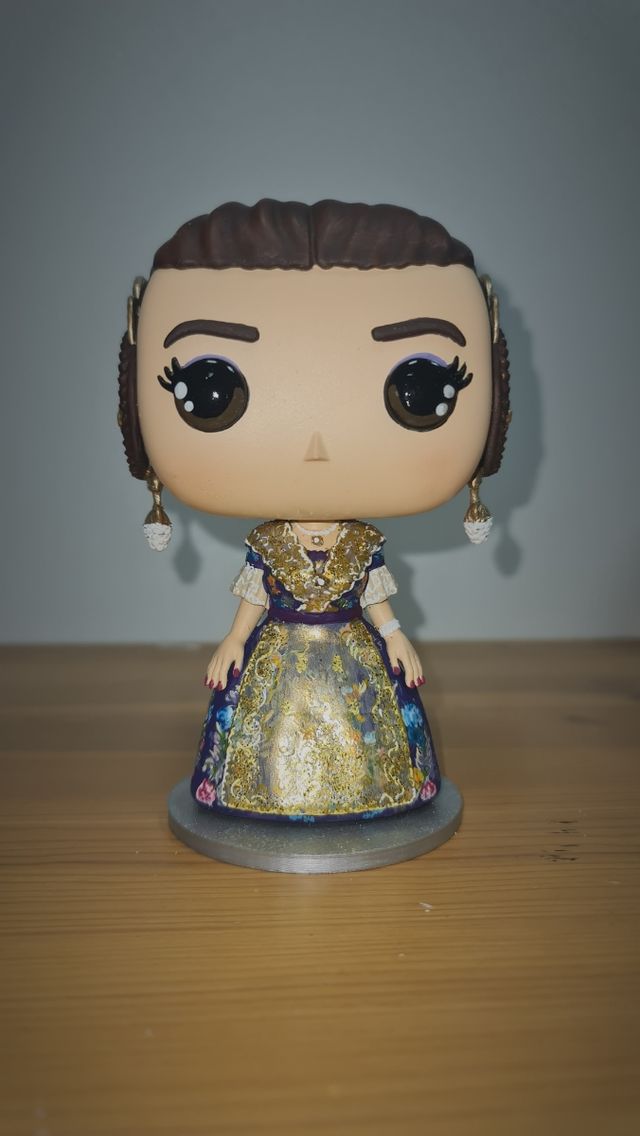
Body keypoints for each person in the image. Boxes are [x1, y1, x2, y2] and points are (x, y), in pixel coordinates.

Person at [117, 199, 510, 822]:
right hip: (279, 651)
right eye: (210, 389)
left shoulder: (362, 543)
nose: (316, 445)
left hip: (352, 649)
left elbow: (374, 592)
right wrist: (234, 639)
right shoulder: (270, 544)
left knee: (366, 736)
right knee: (269, 737)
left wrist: (395, 634)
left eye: (422, 386)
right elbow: (255, 592)